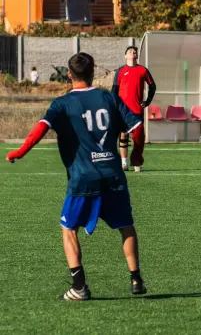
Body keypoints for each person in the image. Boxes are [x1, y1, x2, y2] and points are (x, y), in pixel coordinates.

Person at [6, 53, 146, 300]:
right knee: (126, 227)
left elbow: (41, 128)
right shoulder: (108, 97)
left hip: (83, 179)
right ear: (93, 72)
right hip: (113, 175)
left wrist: (20, 151)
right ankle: (136, 279)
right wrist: (137, 155)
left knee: (69, 229)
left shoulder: (62, 104)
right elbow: (137, 128)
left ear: (69, 75)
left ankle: (79, 287)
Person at [112, 46, 156, 172]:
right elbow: (114, 90)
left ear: (137, 56)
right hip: (122, 110)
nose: (132, 53)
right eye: (130, 52)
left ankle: (136, 162)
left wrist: (147, 101)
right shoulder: (120, 71)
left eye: (134, 52)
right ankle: (123, 162)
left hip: (137, 110)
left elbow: (153, 86)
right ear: (125, 56)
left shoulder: (142, 70)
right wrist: (113, 105)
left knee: (138, 137)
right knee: (123, 134)